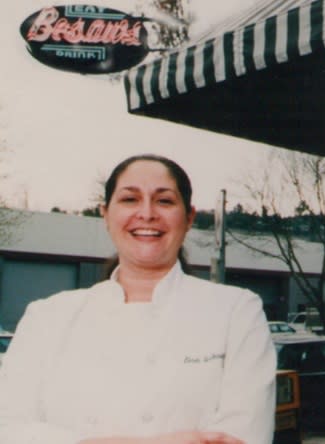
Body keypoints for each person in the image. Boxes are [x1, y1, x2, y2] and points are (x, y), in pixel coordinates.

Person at [0, 154, 276, 444]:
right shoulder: (47, 317)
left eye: (165, 201)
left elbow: (244, 437)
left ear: (189, 217)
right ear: (105, 214)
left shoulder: (237, 311)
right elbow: (8, 429)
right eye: (130, 199)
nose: (147, 213)